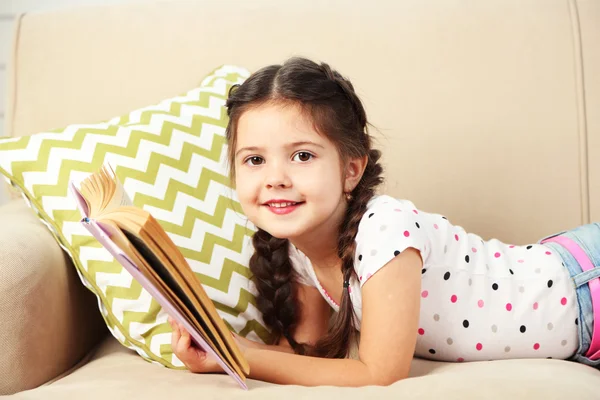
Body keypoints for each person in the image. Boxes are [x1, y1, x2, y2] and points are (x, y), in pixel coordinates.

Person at [168, 56, 600, 386]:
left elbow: (379, 373)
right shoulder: (298, 249)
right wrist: (220, 351)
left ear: (351, 170)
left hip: (584, 285)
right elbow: (308, 358)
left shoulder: (385, 228)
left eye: (302, 155)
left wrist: (245, 356)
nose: (276, 179)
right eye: (254, 159)